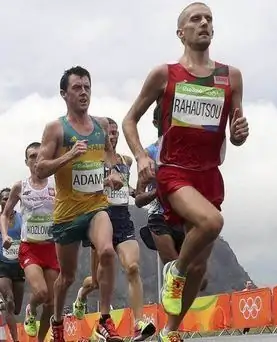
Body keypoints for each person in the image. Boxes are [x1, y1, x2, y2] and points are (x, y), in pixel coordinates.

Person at [122, 2, 249, 342]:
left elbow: (236, 132)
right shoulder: (164, 74)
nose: (204, 23)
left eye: (209, 18)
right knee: (211, 223)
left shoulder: (230, 76)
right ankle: (173, 271)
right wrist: (141, 157)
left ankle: (170, 330)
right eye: (196, 19)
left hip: (210, 175)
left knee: (199, 268)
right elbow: (129, 119)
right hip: (175, 172)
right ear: (181, 32)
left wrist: (239, 134)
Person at [35, 66, 124, 342]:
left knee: (107, 251)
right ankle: (58, 322)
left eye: (87, 87)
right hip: (66, 214)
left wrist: (113, 175)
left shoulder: (100, 125)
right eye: (77, 88)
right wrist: (69, 155)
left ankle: (105, 319)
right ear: (64, 94)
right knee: (67, 277)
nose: (83, 92)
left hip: (96, 206)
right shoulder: (56, 128)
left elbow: (110, 159)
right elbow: (40, 168)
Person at [73, 118, 156, 341]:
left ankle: (139, 322)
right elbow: (81, 189)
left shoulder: (125, 161)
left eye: (116, 132)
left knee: (133, 267)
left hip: (122, 218)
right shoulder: (91, 160)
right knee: (98, 281)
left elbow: (126, 186)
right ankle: (82, 295)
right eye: (109, 132)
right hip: (99, 218)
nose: (114, 135)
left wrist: (134, 191)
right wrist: (106, 182)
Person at [134, 105, 208, 291]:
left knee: (199, 278)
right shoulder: (149, 153)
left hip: (184, 217)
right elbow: (138, 199)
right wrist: (158, 192)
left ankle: (181, 313)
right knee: (174, 274)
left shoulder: (187, 150)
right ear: (156, 123)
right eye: (165, 119)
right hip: (159, 218)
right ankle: (173, 319)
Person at [1, 142, 58, 342]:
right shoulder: (20, 187)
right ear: (26, 162)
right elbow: (5, 213)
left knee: (50, 302)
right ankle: (31, 308)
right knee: (41, 293)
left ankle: (41, 339)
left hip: (52, 248)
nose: (36, 160)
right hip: (30, 249)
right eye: (32, 156)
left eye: (39, 155)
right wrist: (6, 234)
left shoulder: (55, 183)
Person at [0, 188, 24, 342]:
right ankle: (15, 340)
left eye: (9, 198)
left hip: (19, 265)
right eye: (3, 198)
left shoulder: (22, 218)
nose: (6, 200)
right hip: (2, 265)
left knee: (16, 308)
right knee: (9, 300)